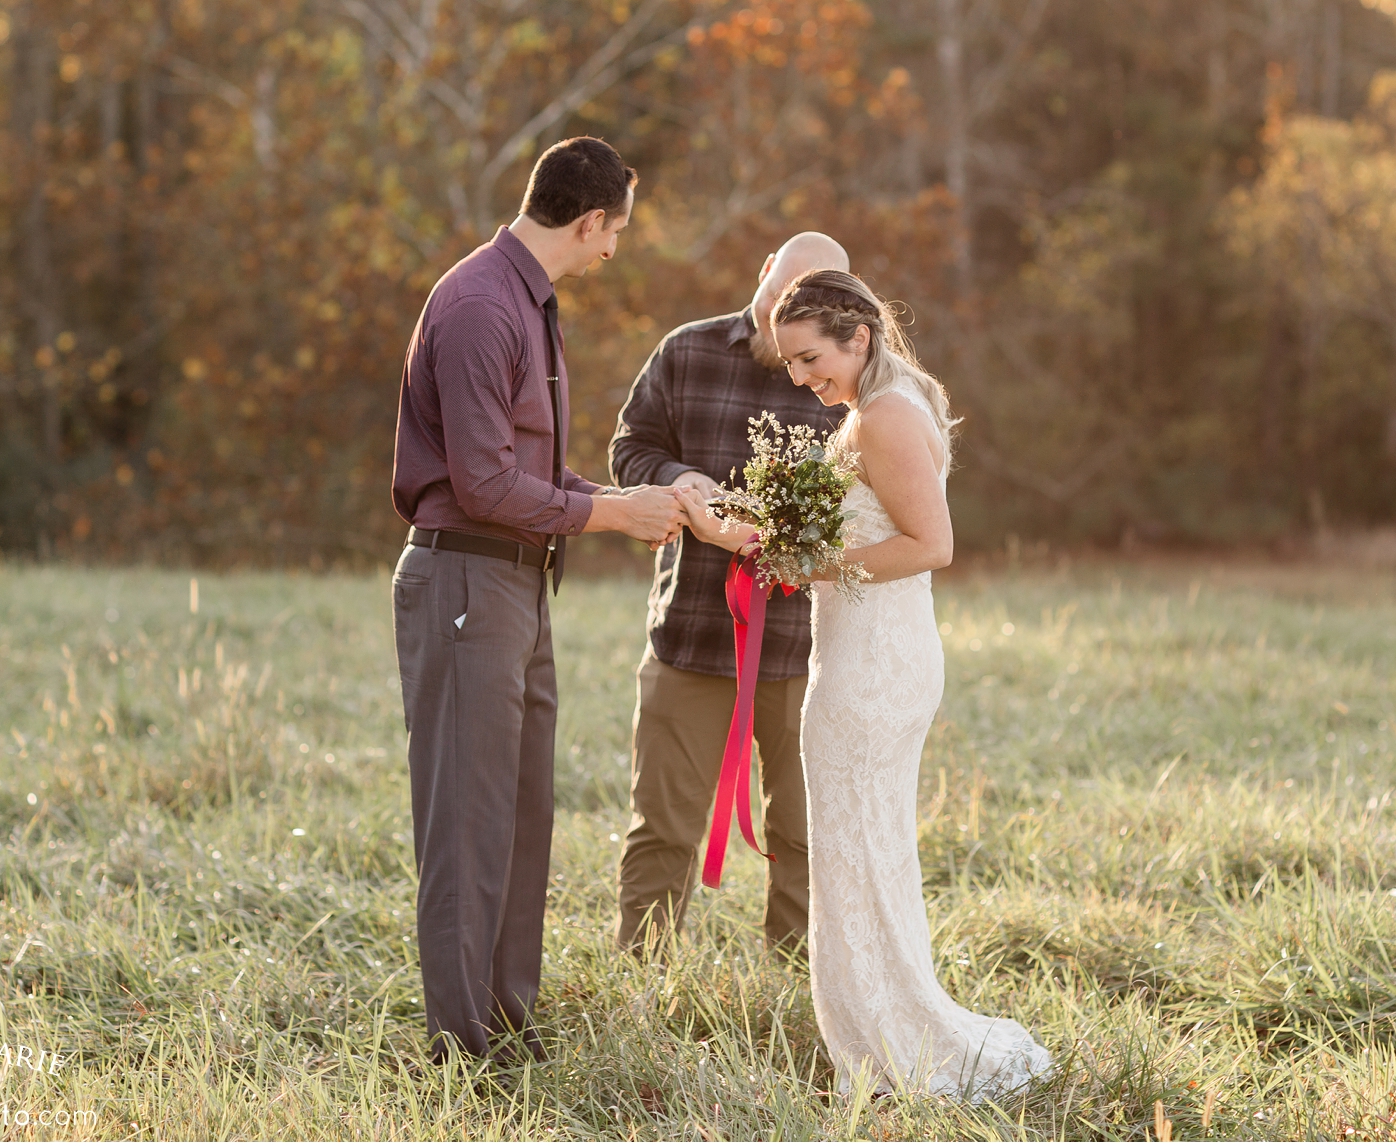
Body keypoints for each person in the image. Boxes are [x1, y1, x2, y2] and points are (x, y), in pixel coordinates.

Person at [675, 269, 1054, 1098]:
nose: (805, 379)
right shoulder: (882, 405)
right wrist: (757, 537)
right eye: (795, 366)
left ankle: (893, 1047)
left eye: (813, 359)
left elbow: (931, 544)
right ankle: (881, 1033)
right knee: (861, 849)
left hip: (874, 663)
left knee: (855, 851)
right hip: (868, 650)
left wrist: (813, 565)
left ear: (860, 337)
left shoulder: (883, 416)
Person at [389, 135, 685, 1063]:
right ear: (590, 220)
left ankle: (512, 1027)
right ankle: (460, 1053)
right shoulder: (481, 304)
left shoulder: (530, 301)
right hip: (467, 578)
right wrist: (613, 515)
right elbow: (481, 484)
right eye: (615, 236)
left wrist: (650, 506)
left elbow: (536, 470)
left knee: (522, 814)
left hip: (520, 583)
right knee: (468, 825)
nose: (612, 253)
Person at [606, 232, 851, 955]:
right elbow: (630, 446)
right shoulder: (687, 351)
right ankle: (643, 976)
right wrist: (677, 477)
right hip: (690, 631)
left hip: (808, 647)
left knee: (804, 830)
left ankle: (800, 982)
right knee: (663, 824)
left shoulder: (845, 382)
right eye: (782, 293)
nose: (789, 317)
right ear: (764, 272)